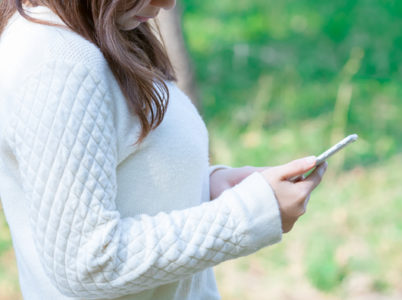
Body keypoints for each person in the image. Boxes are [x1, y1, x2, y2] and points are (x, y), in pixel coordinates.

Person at [0, 0, 328, 299]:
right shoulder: (57, 62)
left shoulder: (96, 29)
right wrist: (252, 213)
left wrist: (208, 186)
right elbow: (88, 261)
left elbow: (113, 166)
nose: (168, 3)